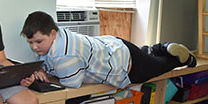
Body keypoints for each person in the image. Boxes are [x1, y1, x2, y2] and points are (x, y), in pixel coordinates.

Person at [20, 11, 197, 89]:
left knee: (159, 66)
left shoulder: (65, 55)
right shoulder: (61, 35)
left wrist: (47, 76)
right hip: (115, 46)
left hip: (127, 66)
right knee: (146, 53)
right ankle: (164, 47)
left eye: (38, 42)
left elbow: (72, 84)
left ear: (52, 33)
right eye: (30, 43)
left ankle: (185, 59)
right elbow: (50, 63)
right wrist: (41, 69)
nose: (35, 47)